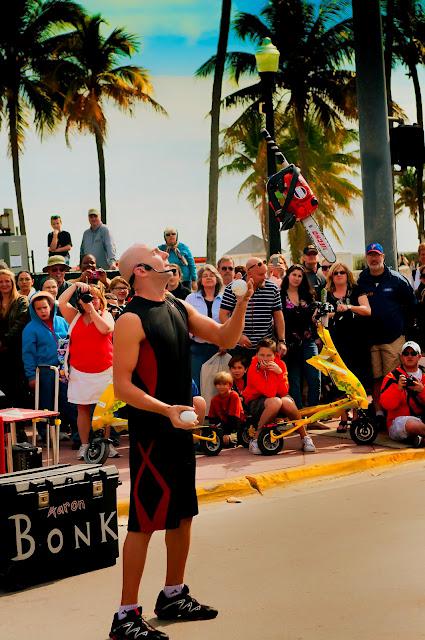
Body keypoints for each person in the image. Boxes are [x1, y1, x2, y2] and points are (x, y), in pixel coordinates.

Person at [110, 242, 252, 640]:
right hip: (152, 433)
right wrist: (168, 410)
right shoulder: (130, 320)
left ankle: (173, 593)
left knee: (183, 513)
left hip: (179, 428)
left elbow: (225, 336)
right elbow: (122, 387)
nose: (163, 256)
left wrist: (242, 301)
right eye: (156, 255)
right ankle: (124, 616)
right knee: (144, 522)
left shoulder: (175, 305)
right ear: (139, 271)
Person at [357, 242, 416, 428]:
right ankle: (380, 413)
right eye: (370, 255)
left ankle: (395, 412)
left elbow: (411, 305)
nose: (374, 258)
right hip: (371, 339)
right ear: (366, 257)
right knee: (376, 377)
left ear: (383, 257)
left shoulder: (397, 280)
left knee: (393, 377)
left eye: (377, 255)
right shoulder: (362, 280)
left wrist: (404, 329)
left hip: (394, 338)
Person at [58, 281, 116, 459]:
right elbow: (60, 302)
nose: (92, 301)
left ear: (101, 300)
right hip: (80, 371)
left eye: (96, 298)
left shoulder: (106, 315)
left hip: (105, 370)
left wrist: (92, 310)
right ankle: (84, 445)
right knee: (82, 409)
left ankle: (106, 444)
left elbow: (105, 329)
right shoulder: (74, 316)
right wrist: (75, 285)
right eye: (88, 298)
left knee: (105, 409)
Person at [242, 338, 316, 454]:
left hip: (277, 399)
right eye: (262, 355)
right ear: (256, 355)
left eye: (268, 355)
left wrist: (279, 373)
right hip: (256, 402)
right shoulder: (253, 368)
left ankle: (305, 437)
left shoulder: (281, 364)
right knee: (275, 401)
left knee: (286, 401)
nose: (265, 359)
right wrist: (274, 374)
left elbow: (283, 391)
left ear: (274, 355)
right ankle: (255, 439)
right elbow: (269, 393)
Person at [21, 291, 76, 441]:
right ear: (34, 310)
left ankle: (67, 430)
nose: (43, 311)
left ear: (51, 306)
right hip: (44, 372)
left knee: (68, 400)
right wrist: (31, 376)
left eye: (45, 307)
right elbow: (28, 354)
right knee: (46, 403)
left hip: (64, 370)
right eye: (38, 309)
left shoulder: (61, 321)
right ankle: (46, 434)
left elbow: (72, 342)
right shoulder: (30, 329)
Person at [325, 262, 372, 431]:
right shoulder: (327, 294)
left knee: (357, 379)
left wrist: (349, 307)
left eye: (342, 272)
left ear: (347, 275)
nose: (339, 275)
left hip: (357, 341)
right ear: (331, 276)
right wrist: (332, 312)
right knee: (340, 381)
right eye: (335, 273)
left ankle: (357, 417)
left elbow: (367, 310)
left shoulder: (356, 290)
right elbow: (323, 315)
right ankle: (344, 418)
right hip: (337, 342)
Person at [220, 256, 287, 363]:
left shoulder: (272, 288)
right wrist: (238, 336)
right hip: (238, 350)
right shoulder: (233, 288)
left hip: (265, 349)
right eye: (261, 274)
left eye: (265, 273)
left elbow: (278, 316)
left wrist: (282, 341)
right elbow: (223, 315)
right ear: (249, 273)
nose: (265, 277)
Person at [280, 264, 321, 408]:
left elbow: (314, 318)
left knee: (314, 376)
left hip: (308, 341)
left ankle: (314, 415)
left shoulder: (308, 294)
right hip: (290, 343)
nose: (297, 278)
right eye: (294, 275)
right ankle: (299, 415)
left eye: (300, 275)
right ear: (288, 276)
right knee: (294, 379)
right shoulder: (280, 295)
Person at [380, 341, 425, 446]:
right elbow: (387, 405)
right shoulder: (392, 377)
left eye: (413, 353)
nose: (409, 356)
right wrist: (398, 388)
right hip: (399, 421)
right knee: (413, 425)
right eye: (406, 353)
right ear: (401, 357)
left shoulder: (424, 375)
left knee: (418, 426)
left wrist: (422, 390)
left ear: (419, 356)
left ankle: (419, 440)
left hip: (422, 418)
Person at [186, 265, 224, 388]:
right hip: (197, 348)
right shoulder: (191, 298)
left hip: (218, 349)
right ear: (200, 280)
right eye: (205, 276)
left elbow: (228, 322)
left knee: (216, 384)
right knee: (196, 383)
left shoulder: (224, 298)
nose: (208, 278)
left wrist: (225, 342)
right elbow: (186, 320)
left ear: (217, 279)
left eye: (211, 275)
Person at [0, 269, 29, 406]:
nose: (4, 284)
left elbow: (20, 324)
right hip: (1, 355)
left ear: (13, 283)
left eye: (7, 281)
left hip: (16, 353)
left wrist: (3, 341)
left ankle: (20, 426)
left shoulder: (21, 300)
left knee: (17, 390)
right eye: (1, 281)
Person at [208, 371, 243, 446]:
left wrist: (227, 433)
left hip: (237, 426)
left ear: (230, 385)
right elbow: (212, 419)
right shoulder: (214, 399)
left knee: (231, 440)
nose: (221, 387)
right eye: (219, 384)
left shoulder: (234, 396)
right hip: (223, 426)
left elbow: (234, 418)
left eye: (224, 384)